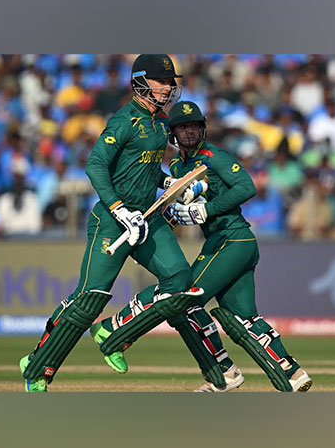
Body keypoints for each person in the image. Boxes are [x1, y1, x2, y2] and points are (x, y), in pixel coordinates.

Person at [92, 101, 312, 392]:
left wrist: (206, 212)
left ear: (203, 128)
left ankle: (220, 369)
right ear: (172, 133)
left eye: (194, 126)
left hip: (233, 239)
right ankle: (293, 373)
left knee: (183, 297)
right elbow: (178, 207)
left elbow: (246, 187)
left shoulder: (214, 155)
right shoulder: (175, 166)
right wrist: (153, 233)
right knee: (241, 316)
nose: (189, 132)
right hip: (223, 242)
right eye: (183, 127)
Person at [19, 55, 206, 392]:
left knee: (180, 280)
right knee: (90, 297)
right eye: (162, 81)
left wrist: (173, 186)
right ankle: (38, 368)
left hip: (147, 218)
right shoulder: (124, 121)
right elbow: (95, 166)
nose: (169, 86)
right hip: (112, 221)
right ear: (141, 82)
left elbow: (146, 171)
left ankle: (114, 332)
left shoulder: (161, 123)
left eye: (170, 81)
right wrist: (120, 210)